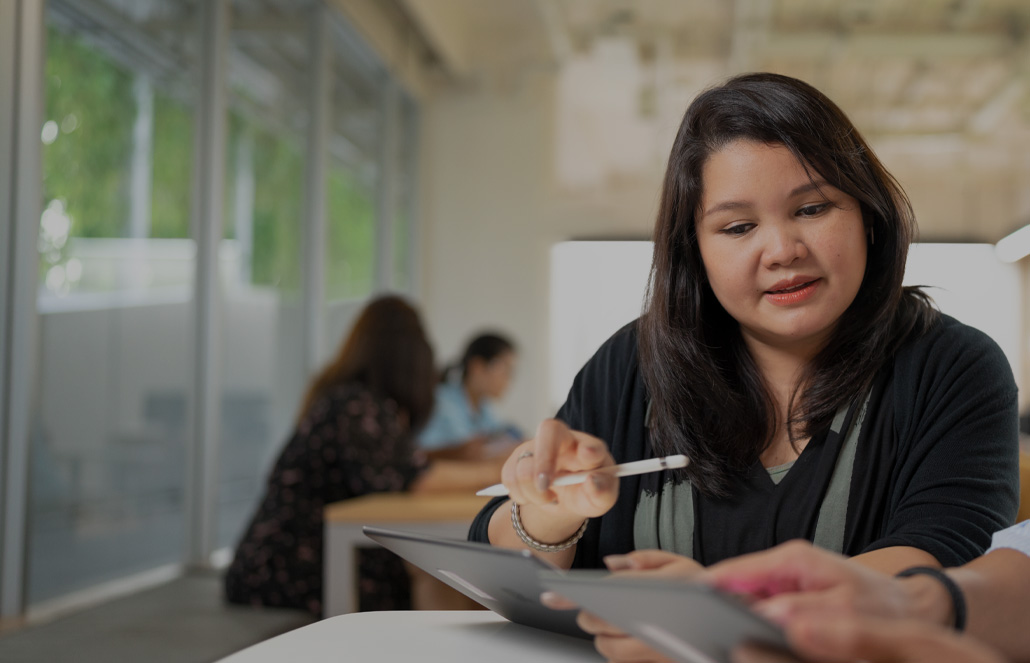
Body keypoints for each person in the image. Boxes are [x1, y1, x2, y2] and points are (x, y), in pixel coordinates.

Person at [470, 73, 1019, 585]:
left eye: (812, 209)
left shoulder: (953, 368)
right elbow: (504, 569)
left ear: (867, 215)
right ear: (695, 251)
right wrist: (549, 513)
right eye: (737, 227)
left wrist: (722, 602)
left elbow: (942, 559)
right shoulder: (633, 363)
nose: (781, 251)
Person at [225, 295, 502, 617]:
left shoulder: (352, 400)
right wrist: (500, 472)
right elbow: (411, 478)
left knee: (448, 570)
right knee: (446, 572)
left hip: (295, 555)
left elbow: (402, 465)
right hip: (283, 567)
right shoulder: (355, 406)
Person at [418, 332, 522, 460]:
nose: (509, 379)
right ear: (477, 367)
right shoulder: (440, 402)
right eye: (505, 370)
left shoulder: (484, 408)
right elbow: (419, 454)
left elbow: (500, 437)